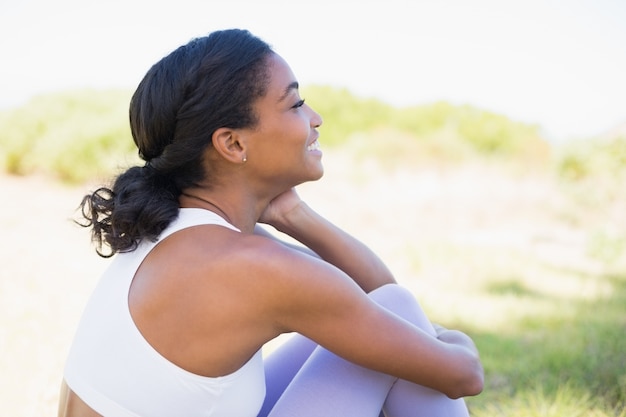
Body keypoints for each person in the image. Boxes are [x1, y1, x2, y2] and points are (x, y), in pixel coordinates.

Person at [58, 29, 483, 417]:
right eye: (295, 104)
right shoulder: (251, 266)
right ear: (233, 143)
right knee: (408, 334)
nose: (315, 118)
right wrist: (451, 340)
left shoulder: (187, 232)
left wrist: (293, 214)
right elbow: (463, 376)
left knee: (393, 313)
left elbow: (378, 298)